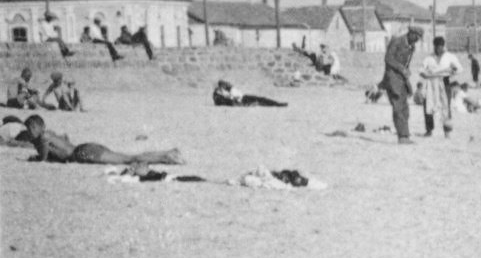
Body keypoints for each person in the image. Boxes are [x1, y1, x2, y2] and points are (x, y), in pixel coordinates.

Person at [7, 114, 183, 167]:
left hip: (83, 153)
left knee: (128, 159)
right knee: (127, 157)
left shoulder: (44, 137)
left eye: (30, 130)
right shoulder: (50, 134)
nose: (29, 133)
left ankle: (167, 155)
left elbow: (44, 158)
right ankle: (166, 155)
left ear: (37, 127)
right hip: (85, 148)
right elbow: (64, 141)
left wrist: (35, 158)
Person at [380, 25, 422, 143]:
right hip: (392, 78)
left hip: (402, 79)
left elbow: (406, 64)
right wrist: (401, 69)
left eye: (419, 38)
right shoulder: (397, 41)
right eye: (416, 37)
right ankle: (403, 137)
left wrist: (406, 76)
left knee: (405, 109)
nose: (417, 40)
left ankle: (405, 135)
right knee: (398, 107)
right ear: (411, 33)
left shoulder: (412, 46)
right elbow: (388, 58)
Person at [417, 35, 462, 137]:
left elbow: (459, 69)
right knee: (428, 106)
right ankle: (429, 130)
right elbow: (421, 69)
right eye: (436, 46)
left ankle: (447, 130)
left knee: (446, 107)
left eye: (440, 46)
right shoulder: (429, 58)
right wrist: (424, 74)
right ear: (434, 46)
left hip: (444, 82)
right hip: (431, 83)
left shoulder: (449, 57)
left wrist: (453, 70)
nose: (438, 49)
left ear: (443, 46)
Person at [212, 79, 287, 108]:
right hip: (242, 100)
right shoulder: (219, 94)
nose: (228, 84)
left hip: (242, 98)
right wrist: (236, 101)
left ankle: (277, 104)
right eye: (225, 84)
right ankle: (277, 104)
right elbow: (226, 101)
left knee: (260, 99)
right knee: (260, 100)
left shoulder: (226, 91)